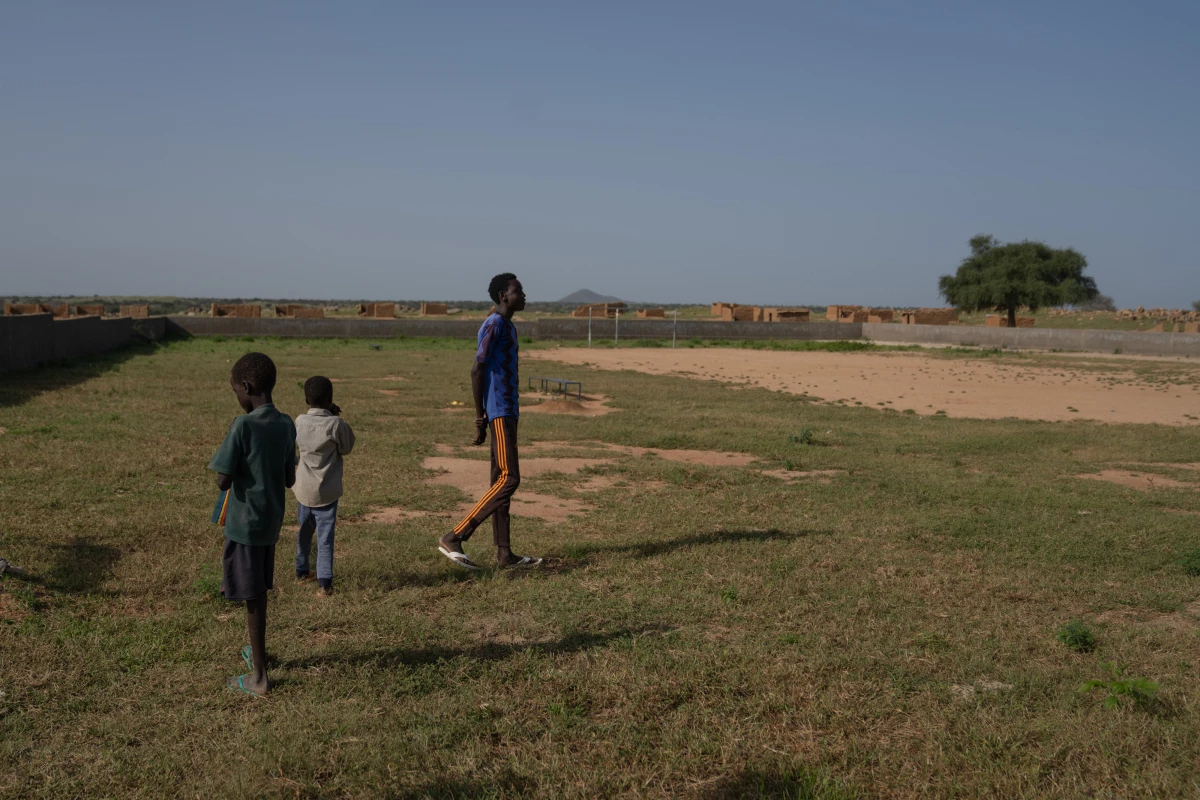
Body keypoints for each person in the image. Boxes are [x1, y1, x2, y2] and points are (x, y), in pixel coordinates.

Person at [438, 273, 543, 570]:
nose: (523, 295)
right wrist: (479, 416)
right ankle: (456, 535)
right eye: (517, 291)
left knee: (500, 482)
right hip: (499, 410)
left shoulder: (507, 326)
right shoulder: (494, 324)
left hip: (508, 411)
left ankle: (504, 555)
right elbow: (477, 369)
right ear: (502, 296)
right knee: (510, 479)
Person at [209, 352, 296, 697]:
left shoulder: (242, 425)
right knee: (257, 591)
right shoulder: (287, 423)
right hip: (271, 522)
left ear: (246, 387)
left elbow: (222, 481)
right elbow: (289, 478)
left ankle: (259, 676)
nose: (237, 398)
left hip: (244, 525)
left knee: (254, 598)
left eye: (235, 391)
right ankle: (258, 655)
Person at [292, 375, 355, 596]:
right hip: (326, 492)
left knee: (304, 532)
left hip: (303, 490)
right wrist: (335, 416)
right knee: (325, 537)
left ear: (306, 399)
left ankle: (301, 572)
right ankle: (324, 584)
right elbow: (346, 446)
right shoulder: (335, 424)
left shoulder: (299, 421)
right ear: (330, 398)